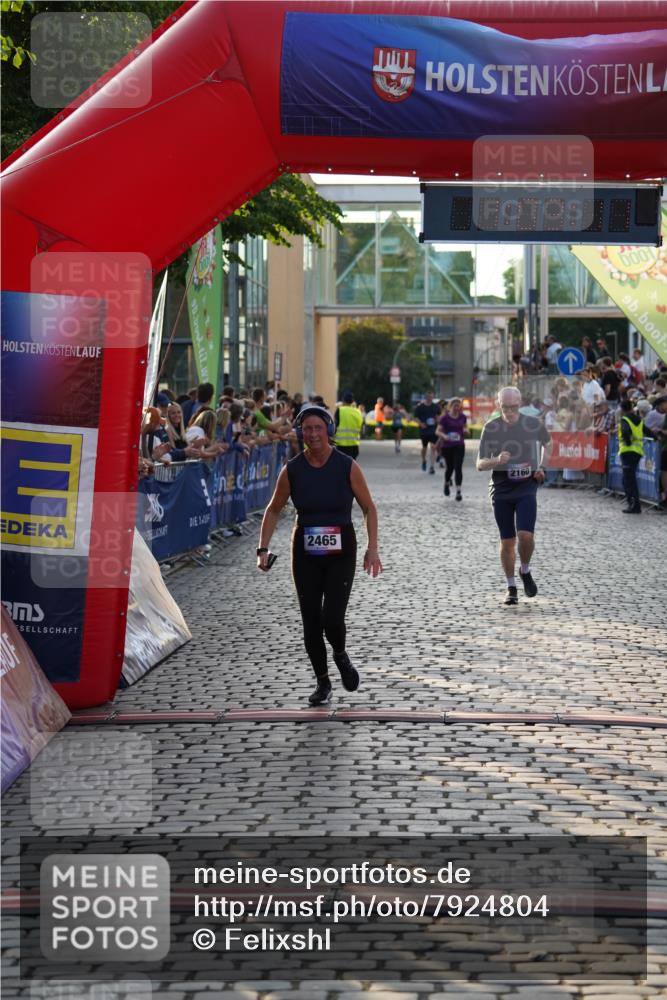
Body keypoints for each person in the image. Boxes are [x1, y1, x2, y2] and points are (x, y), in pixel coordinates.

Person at [257, 404, 382, 706]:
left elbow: (369, 508)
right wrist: (262, 548)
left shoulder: (346, 466)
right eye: (307, 429)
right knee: (311, 620)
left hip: (341, 549)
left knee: (332, 618)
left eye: (318, 428)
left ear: (328, 430)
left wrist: (372, 547)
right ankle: (322, 682)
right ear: (300, 432)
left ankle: (340, 654)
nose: (312, 434)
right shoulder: (293, 469)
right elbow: (274, 508)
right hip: (305, 550)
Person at [476, 387, 551, 606]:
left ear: (520, 404)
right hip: (501, 490)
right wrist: (497, 460)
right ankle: (511, 587)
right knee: (507, 541)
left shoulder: (532, 424)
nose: (509, 411)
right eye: (505, 407)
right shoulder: (491, 427)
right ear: (499, 405)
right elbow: (480, 464)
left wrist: (543, 467)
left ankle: (525, 570)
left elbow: (549, 443)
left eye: (514, 406)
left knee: (526, 536)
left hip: (526, 487)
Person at [617, 398, 649, 514]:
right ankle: (633, 504)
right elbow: (647, 431)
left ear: (622, 409)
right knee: (628, 479)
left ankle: (634, 506)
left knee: (629, 481)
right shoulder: (639, 419)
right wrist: (655, 437)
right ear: (631, 408)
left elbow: (625, 431)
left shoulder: (624, 419)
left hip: (627, 452)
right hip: (637, 452)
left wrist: (628, 442)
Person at [436, 397, 469, 500]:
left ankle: (458, 491)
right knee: (450, 468)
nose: (457, 408)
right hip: (447, 446)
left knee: (458, 467)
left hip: (459, 445)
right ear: (450, 406)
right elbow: (437, 431)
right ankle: (446, 483)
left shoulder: (463, 417)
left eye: (458, 406)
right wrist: (444, 436)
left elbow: (465, 427)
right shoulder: (445, 418)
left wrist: (466, 431)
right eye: (455, 406)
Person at [334, 390, 364, 460]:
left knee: (341, 467)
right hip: (354, 445)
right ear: (352, 401)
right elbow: (361, 427)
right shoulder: (358, 412)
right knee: (352, 468)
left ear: (343, 400)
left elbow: (334, 426)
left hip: (341, 445)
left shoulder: (340, 410)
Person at [414, 390, 439, 473]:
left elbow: (439, 416)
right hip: (424, 430)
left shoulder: (436, 406)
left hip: (433, 430)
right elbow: (415, 417)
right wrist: (421, 424)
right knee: (424, 448)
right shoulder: (420, 407)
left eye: (431, 397)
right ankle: (424, 460)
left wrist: (437, 420)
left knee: (433, 447)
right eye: (428, 397)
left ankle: (432, 467)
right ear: (425, 397)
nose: (430, 398)